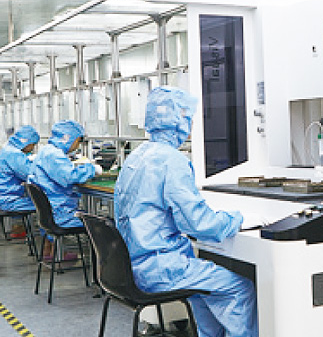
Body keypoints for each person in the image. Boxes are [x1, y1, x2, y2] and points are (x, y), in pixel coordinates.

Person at [114, 86, 259, 337]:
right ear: (178, 120)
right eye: (188, 118)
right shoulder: (172, 161)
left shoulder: (136, 157)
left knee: (202, 290)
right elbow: (199, 225)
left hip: (131, 266)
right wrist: (238, 219)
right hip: (161, 269)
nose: (191, 125)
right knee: (240, 289)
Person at [28, 120, 102, 258]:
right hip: (61, 216)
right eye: (78, 141)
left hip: (50, 214)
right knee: (103, 223)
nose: (77, 145)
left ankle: (51, 252)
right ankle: (99, 263)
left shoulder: (46, 151)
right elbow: (70, 176)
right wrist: (92, 169)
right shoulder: (54, 155)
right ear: (68, 138)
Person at [0, 125, 40, 238]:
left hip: (2, 197)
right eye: (33, 145)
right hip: (9, 201)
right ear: (27, 142)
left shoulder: (8, 150)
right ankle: (49, 243)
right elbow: (31, 174)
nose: (33, 148)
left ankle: (19, 228)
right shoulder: (14, 154)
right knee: (47, 204)